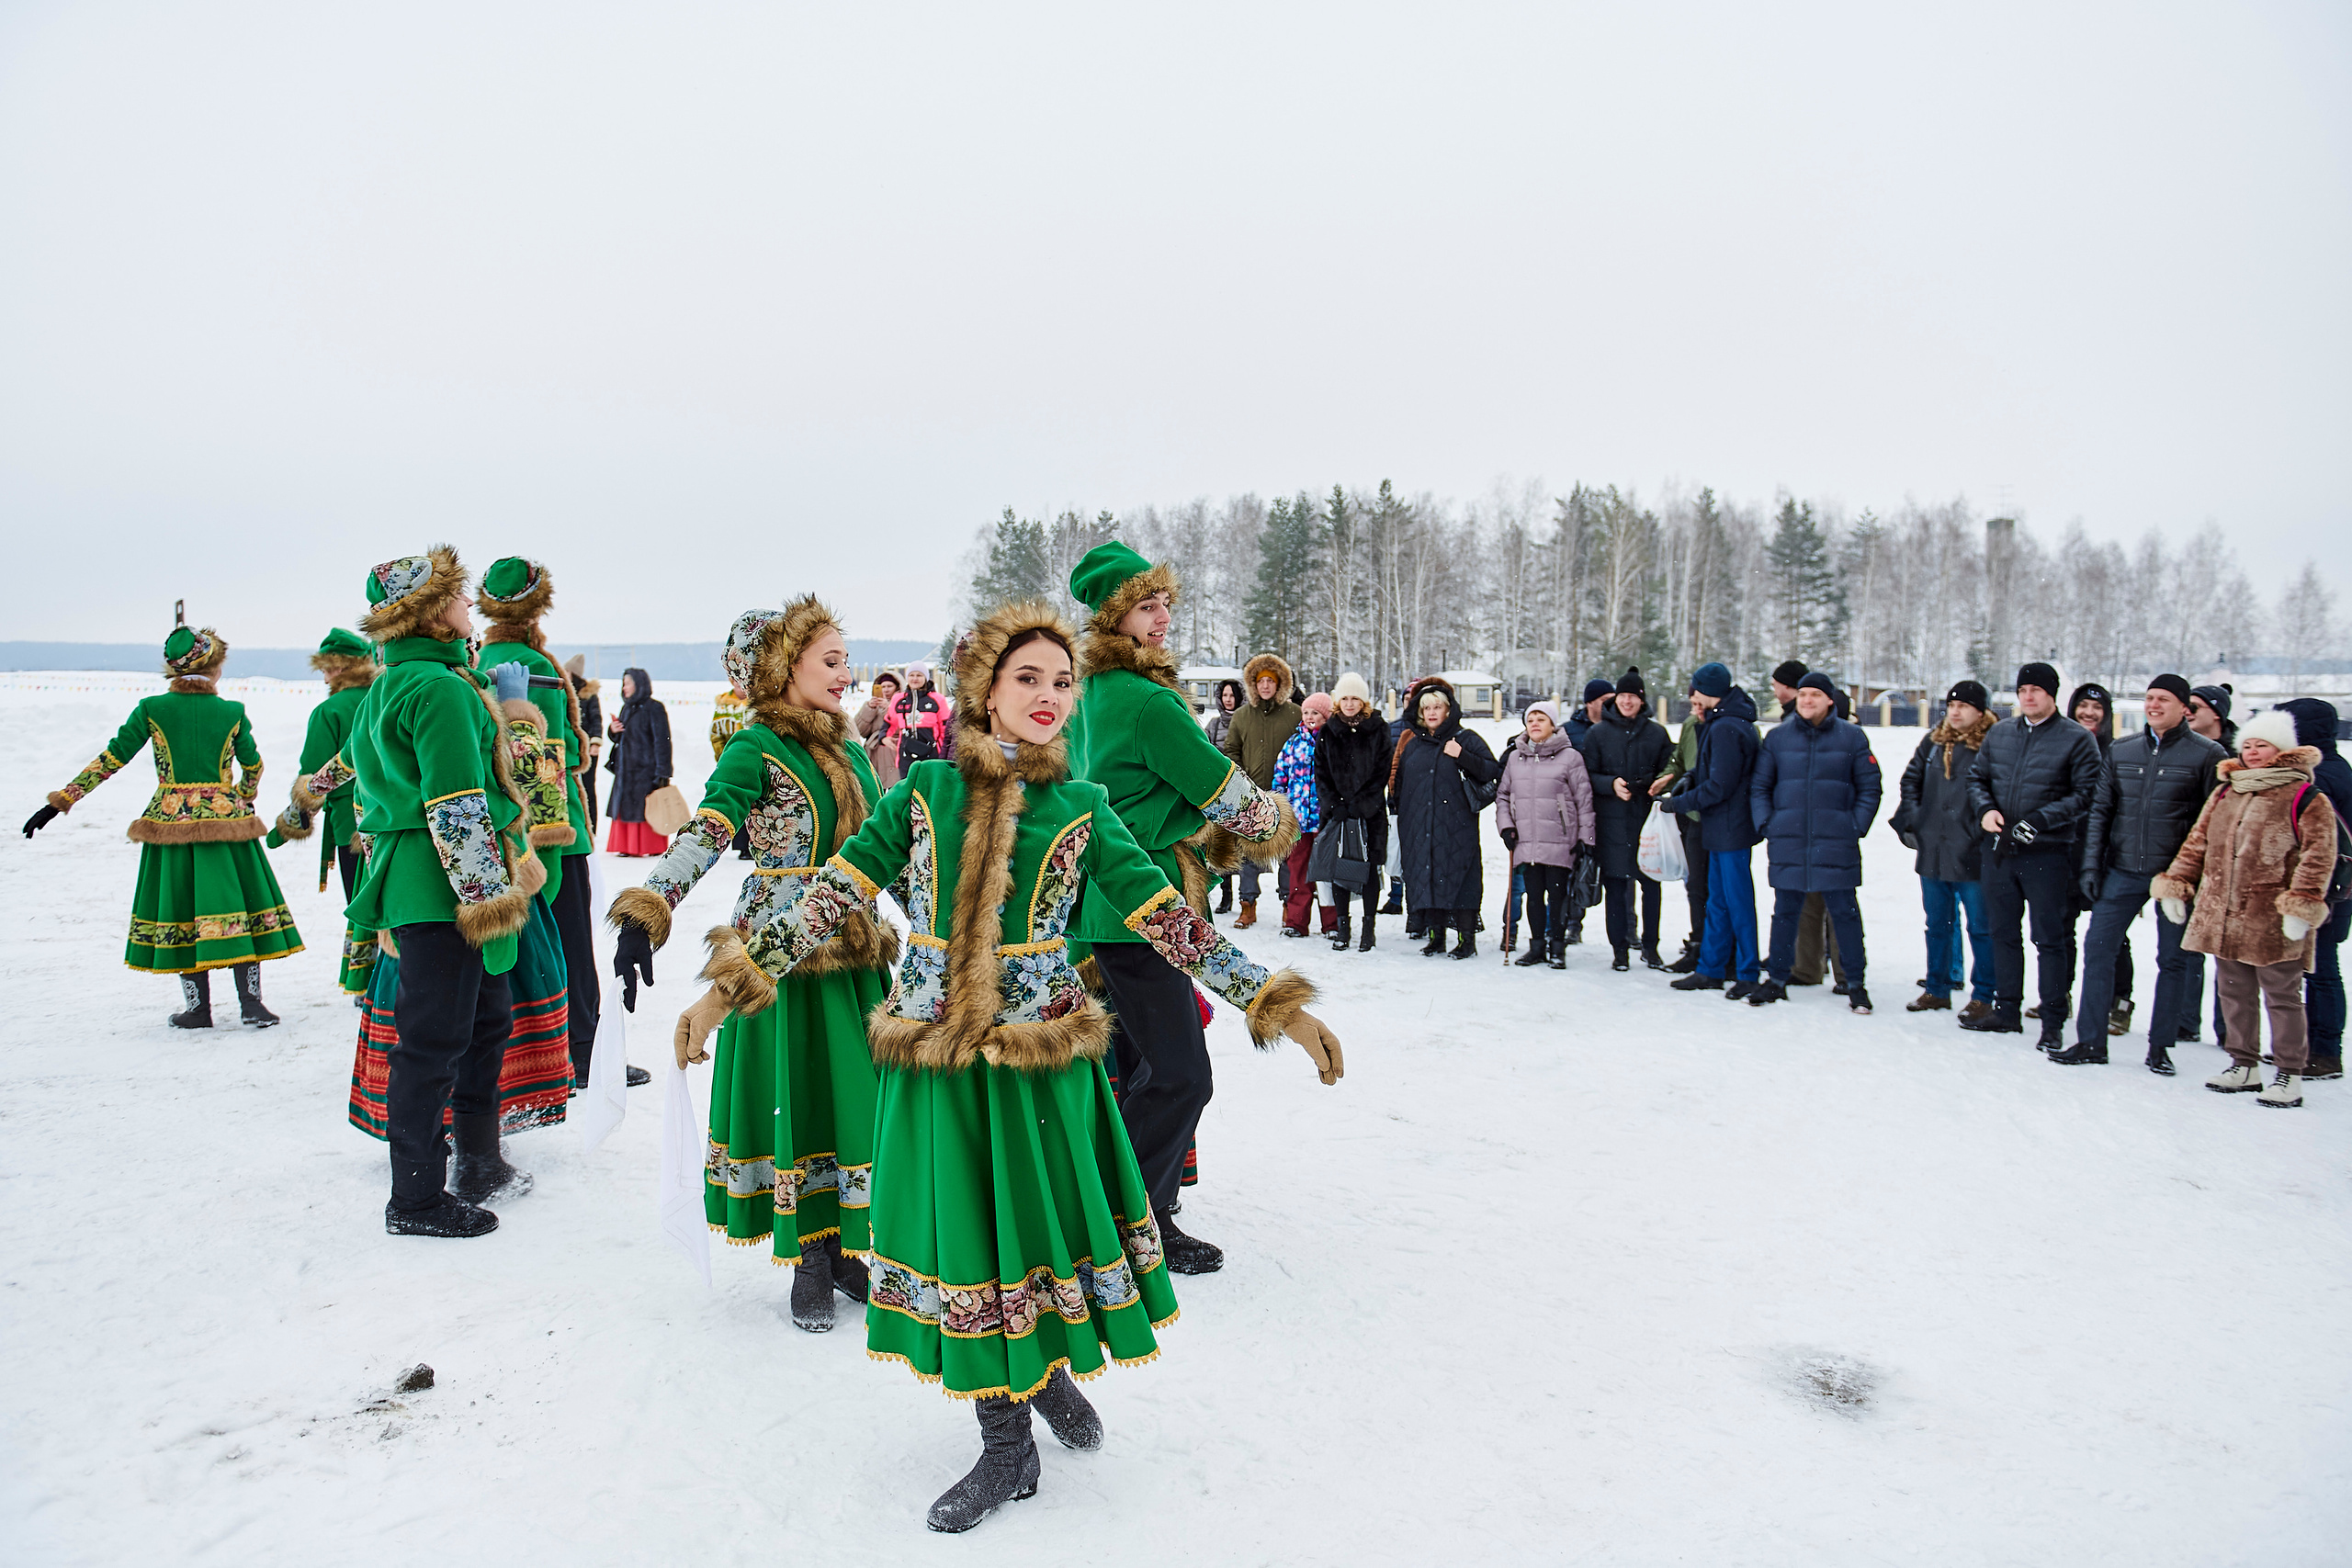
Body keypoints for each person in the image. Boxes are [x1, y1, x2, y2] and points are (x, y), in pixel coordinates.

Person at [673, 601, 1340, 1533]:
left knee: (1029, 1236)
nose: (1049, 696)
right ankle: (1008, 1436)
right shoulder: (922, 796)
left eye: (1062, 682)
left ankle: (1036, 1388)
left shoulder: (1084, 808)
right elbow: (830, 898)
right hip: (938, 1066)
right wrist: (729, 986)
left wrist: (1275, 1002)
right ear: (983, 689)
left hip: (1039, 1067)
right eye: (1027, 678)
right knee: (969, 1245)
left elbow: (1169, 921)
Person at [609, 602, 899, 1329]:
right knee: (797, 1094)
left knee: (854, 1097)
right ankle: (809, 1253)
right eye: (830, 660)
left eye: (845, 658)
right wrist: (652, 907)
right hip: (779, 955)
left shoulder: (850, 748)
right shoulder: (756, 746)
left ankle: (845, 1251)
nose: (845, 673)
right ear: (780, 667)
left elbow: (889, 844)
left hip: (851, 939)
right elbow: (706, 831)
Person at [1065, 542, 1299, 1274]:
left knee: (1136, 1066)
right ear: (1114, 618)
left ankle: (1145, 1215)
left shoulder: (1088, 693)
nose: (1162, 616)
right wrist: (1272, 822)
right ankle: (1122, 1224)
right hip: (1145, 899)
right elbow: (1220, 786)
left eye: (1165, 601)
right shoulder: (1148, 700)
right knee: (1179, 1073)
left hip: (1099, 900)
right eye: (1144, 605)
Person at [319, 547, 542, 1237]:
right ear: (428, 610)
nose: (467, 605)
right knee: (436, 1038)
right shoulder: (441, 688)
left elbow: (360, 778)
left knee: (478, 1019)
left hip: (419, 879)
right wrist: (489, 898)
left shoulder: (393, 681)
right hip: (446, 884)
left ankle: (477, 1158)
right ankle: (414, 1198)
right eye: (455, 596)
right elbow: (454, 804)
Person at [25, 614, 302, 1027]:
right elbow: (254, 764)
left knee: (183, 909)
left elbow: (111, 759)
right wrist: (240, 797)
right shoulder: (232, 711)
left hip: (171, 826)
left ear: (173, 669)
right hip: (227, 827)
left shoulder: (152, 709)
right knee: (239, 907)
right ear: (214, 667)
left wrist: (61, 801)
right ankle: (252, 1004)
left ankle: (198, 1009)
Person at [474, 558, 623, 1089]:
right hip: (553, 832)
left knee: (521, 949)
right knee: (572, 946)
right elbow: (551, 759)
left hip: (498, 834)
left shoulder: (477, 662)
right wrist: (554, 836)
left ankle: (528, 1054)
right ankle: (581, 1052)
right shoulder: (536, 666)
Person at [2153, 708, 2339, 1109]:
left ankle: (2289, 1071)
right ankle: (2244, 1064)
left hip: (2272, 917)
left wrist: (2301, 905)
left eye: (2263, 745)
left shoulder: (2306, 796)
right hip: (2223, 913)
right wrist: (2177, 883)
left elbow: (2319, 855)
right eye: (2249, 744)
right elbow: (2197, 842)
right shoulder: (2227, 790)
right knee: (2233, 991)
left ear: (2281, 750)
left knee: (2282, 996)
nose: (2253, 752)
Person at [2055, 674, 2228, 1070]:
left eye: (2163, 699)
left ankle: (2160, 1047)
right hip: (2122, 869)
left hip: (2175, 878)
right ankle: (2091, 1043)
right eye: (2149, 698)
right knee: (2098, 950)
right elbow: (2101, 811)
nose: (2153, 705)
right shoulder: (2122, 750)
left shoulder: (2207, 754)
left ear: (2184, 707)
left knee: (2173, 961)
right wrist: (2092, 866)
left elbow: (2212, 823)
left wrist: (2196, 878)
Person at [1963, 661, 2105, 1044]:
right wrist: (1985, 810)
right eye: (2023, 690)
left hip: (2047, 853)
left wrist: (2040, 821)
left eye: (2036, 691)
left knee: (2050, 938)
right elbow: (1977, 778)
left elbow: (2086, 793)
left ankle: (2053, 1021)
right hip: (1999, 851)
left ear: (2051, 695)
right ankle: (2007, 1010)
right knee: (2003, 933)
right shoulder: (2001, 733)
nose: (2028, 696)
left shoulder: (2076, 738)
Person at [1746, 672, 1881, 1012]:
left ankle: (1856, 985)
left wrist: (1854, 825)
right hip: (1789, 840)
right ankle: (1776, 980)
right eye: (1802, 694)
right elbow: (1760, 786)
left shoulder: (1851, 738)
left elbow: (1870, 788)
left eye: (1815, 695)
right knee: (1785, 914)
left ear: (1830, 700)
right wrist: (1768, 823)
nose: (1807, 700)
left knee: (1845, 915)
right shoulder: (1778, 739)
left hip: (1836, 842)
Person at [267, 627, 379, 998]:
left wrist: (292, 819)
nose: (325, 676)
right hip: (397, 816)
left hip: (350, 822)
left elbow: (315, 776)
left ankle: (370, 984)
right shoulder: (384, 696)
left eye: (328, 669)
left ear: (340, 668)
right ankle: (399, 977)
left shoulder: (329, 711)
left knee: (362, 901)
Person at [1894, 681, 1997, 1021]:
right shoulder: (1935, 741)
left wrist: (1978, 831)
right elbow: (1910, 780)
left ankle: (1984, 994)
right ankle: (1937, 988)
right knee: (1938, 923)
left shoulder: (1993, 744)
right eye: (1952, 705)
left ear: (1980, 711)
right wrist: (1917, 819)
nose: (1955, 712)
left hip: (1973, 852)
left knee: (1981, 927)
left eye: (1964, 706)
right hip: (1934, 849)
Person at [1663, 663, 1763, 998]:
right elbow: (1715, 774)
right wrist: (1692, 779)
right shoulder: (1723, 722)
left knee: (1736, 901)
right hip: (1722, 826)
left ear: (1706, 691)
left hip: (1731, 827)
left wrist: (1679, 802)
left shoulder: (1726, 727)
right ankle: (1711, 968)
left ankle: (1747, 972)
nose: (1692, 698)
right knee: (1718, 901)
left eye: (1695, 692)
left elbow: (1721, 784)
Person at [1389, 676, 1500, 959]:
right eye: (1426, 708)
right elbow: (1400, 785)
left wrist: (1463, 756)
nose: (1432, 712)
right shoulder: (1413, 745)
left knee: (1460, 879)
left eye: (1438, 706)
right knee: (1426, 877)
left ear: (1449, 710)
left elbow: (1492, 772)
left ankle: (1466, 940)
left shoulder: (1467, 739)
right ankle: (1435, 935)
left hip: (1456, 826)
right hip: (1418, 826)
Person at [1579, 667, 1679, 972]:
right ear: (1615, 699)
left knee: (1651, 887)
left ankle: (1650, 947)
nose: (1626, 702)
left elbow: (1669, 771)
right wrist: (1611, 785)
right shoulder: (1597, 733)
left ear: (1641, 700)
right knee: (1616, 889)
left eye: (1632, 697)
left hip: (1647, 822)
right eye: (1622, 696)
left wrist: (1653, 782)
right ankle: (1619, 949)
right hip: (1611, 822)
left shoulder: (1656, 733)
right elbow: (1586, 775)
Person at [2275, 698, 2350, 1079]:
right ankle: (2311, 1047)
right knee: (2313, 969)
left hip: (2327, 890)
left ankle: (2325, 1051)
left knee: (2322, 971)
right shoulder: (2334, 769)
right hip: (2331, 889)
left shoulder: (2324, 776)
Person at [1495, 700, 1594, 970]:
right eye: (1530, 720)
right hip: (1525, 839)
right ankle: (1537, 946)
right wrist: (1506, 827)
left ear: (1553, 725)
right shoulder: (1516, 757)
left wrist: (1586, 839)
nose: (1535, 724)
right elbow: (1502, 796)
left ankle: (1557, 946)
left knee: (1558, 895)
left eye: (1541, 719)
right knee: (1534, 895)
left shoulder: (1570, 757)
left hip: (1561, 839)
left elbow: (1583, 800)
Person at [1220, 653, 1303, 929]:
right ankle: (1248, 905)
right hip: (1252, 797)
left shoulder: (1295, 713)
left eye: (1271, 680)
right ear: (1253, 685)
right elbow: (1231, 750)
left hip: (1289, 797)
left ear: (1280, 684)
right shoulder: (1242, 716)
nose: (1265, 685)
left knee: (1289, 853)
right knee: (1247, 854)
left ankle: (1288, 906)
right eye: (1260, 681)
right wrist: (1242, 786)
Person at [1314, 672, 1391, 952]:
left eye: (1354, 698)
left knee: (1369, 869)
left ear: (1363, 701)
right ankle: (1343, 928)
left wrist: (1362, 805)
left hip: (1369, 814)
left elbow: (1382, 770)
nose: (1349, 703)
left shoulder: (1379, 728)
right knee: (1339, 870)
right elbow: (1320, 772)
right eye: (1344, 698)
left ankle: (1368, 928)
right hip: (1337, 814)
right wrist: (1334, 804)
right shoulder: (1329, 731)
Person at [1273, 693, 1335, 939]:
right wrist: (1281, 807)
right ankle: (1297, 921)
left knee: (1326, 874)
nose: (1310, 717)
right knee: (1298, 871)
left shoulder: (1332, 741)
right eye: (1307, 713)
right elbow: (1280, 776)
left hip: (1325, 819)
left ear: (1326, 717)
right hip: (1299, 819)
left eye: (1316, 713)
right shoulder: (1293, 743)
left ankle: (1332, 923)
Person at [1664, 687, 1711, 973]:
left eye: (1699, 703)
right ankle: (1698, 942)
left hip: (1719, 818)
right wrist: (1665, 779)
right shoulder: (1692, 725)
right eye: (1692, 704)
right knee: (1695, 885)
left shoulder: (1731, 727)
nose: (1696, 710)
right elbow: (1680, 762)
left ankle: (1718, 947)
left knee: (1717, 889)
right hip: (1692, 815)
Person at [604, 667, 673, 856]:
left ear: (639, 685)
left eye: (628, 683)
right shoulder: (626, 708)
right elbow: (621, 738)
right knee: (626, 809)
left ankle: (648, 847)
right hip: (625, 770)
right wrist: (613, 731)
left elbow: (663, 742)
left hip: (646, 771)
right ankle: (627, 846)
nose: (624, 688)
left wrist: (663, 773)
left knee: (646, 810)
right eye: (623, 684)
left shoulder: (654, 708)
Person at [1204, 678, 1246, 912]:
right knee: (1221, 847)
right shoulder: (1214, 724)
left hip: (1242, 791)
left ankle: (1247, 898)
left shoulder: (1245, 722)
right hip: (1219, 794)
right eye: (1225, 696)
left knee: (1243, 849)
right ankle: (1225, 894)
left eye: (1232, 696)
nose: (1229, 700)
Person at [892, 660, 951, 775]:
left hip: (931, 754)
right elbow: (890, 722)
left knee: (928, 790)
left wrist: (942, 753)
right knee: (907, 790)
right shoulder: (898, 700)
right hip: (906, 756)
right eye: (911, 675)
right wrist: (884, 737)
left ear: (926, 678)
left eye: (919, 675)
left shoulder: (938, 700)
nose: (915, 679)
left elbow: (946, 729)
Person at [567, 654, 602, 835]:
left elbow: (597, 720)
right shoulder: (564, 692)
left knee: (589, 786)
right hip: (571, 747)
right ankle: (576, 822)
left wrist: (596, 742)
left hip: (588, 748)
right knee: (570, 785)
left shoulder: (589, 696)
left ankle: (592, 826)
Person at [854, 670, 905, 791]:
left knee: (895, 789)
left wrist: (888, 709)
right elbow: (860, 731)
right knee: (876, 789)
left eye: (889, 686)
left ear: (897, 687)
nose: (886, 690)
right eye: (882, 687)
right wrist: (869, 709)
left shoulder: (903, 703)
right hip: (874, 753)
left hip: (894, 751)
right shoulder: (872, 705)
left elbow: (902, 726)